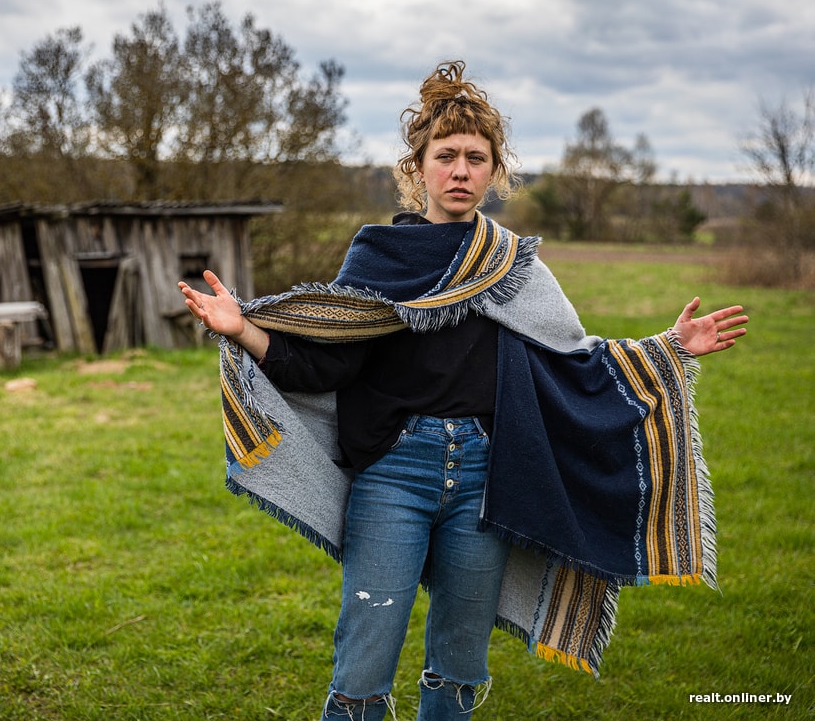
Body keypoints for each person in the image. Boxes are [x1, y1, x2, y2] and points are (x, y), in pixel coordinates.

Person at [178, 60, 747, 720]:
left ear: (493, 171)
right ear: (417, 166)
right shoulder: (380, 256)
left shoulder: (512, 266)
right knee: (363, 662)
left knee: (458, 666)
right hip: (394, 474)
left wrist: (669, 347)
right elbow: (327, 367)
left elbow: (575, 363)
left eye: (477, 157)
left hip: (485, 479)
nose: (460, 169)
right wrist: (243, 327)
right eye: (445, 154)